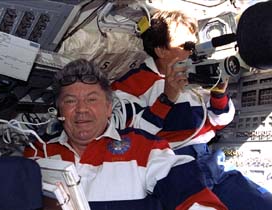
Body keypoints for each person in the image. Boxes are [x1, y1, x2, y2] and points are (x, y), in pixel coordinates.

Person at [111, 10, 272, 210]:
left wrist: (219, 94)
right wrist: (167, 98)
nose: (193, 51)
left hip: (211, 163)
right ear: (161, 49)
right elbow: (124, 138)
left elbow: (219, 121)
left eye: (194, 45)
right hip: (171, 167)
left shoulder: (196, 72)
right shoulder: (131, 85)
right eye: (186, 46)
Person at [24, 58, 228, 210]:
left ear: (109, 108)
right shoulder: (37, 154)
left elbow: (187, 192)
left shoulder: (145, 148)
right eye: (70, 101)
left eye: (92, 99)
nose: (81, 109)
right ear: (59, 110)